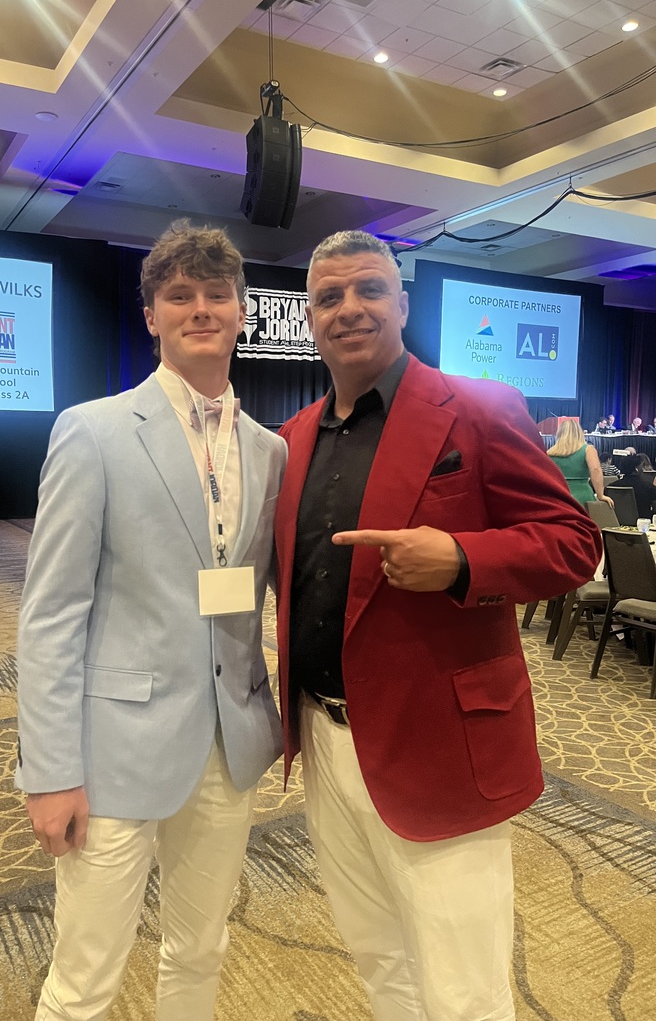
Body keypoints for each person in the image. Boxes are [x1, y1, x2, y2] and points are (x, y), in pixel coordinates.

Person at [273, 230, 601, 1021]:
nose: (350, 308)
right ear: (309, 319)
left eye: (369, 289)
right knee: (379, 957)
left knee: (464, 989)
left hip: (441, 742)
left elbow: (573, 544)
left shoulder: (479, 409)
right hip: (324, 737)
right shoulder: (292, 438)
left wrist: (459, 558)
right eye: (329, 297)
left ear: (402, 303)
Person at [16, 222, 287, 1021]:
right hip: (114, 751)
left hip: (229, 743)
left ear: (241, 312)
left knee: (200, 950)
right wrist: (50, 771)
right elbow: (51, 614)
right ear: (151, 317)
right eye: (179, 295)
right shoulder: (93, 431)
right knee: (84, 980)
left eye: (216, 294)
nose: (200, 308)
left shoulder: (269, 451)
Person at [547, 418, 614, 508]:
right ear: (579, 432)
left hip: (557, 496)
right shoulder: (588, 450)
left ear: (559, 433)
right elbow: (596, 470)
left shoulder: (549, 453)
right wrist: (600, 495)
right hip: (582, 496)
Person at [609, 453, 656, 517]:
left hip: (617, 521)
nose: (642, 469)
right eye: (641, 466)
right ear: (636, 468)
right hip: (643, 521)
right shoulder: (647, 487)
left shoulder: (610, 487)